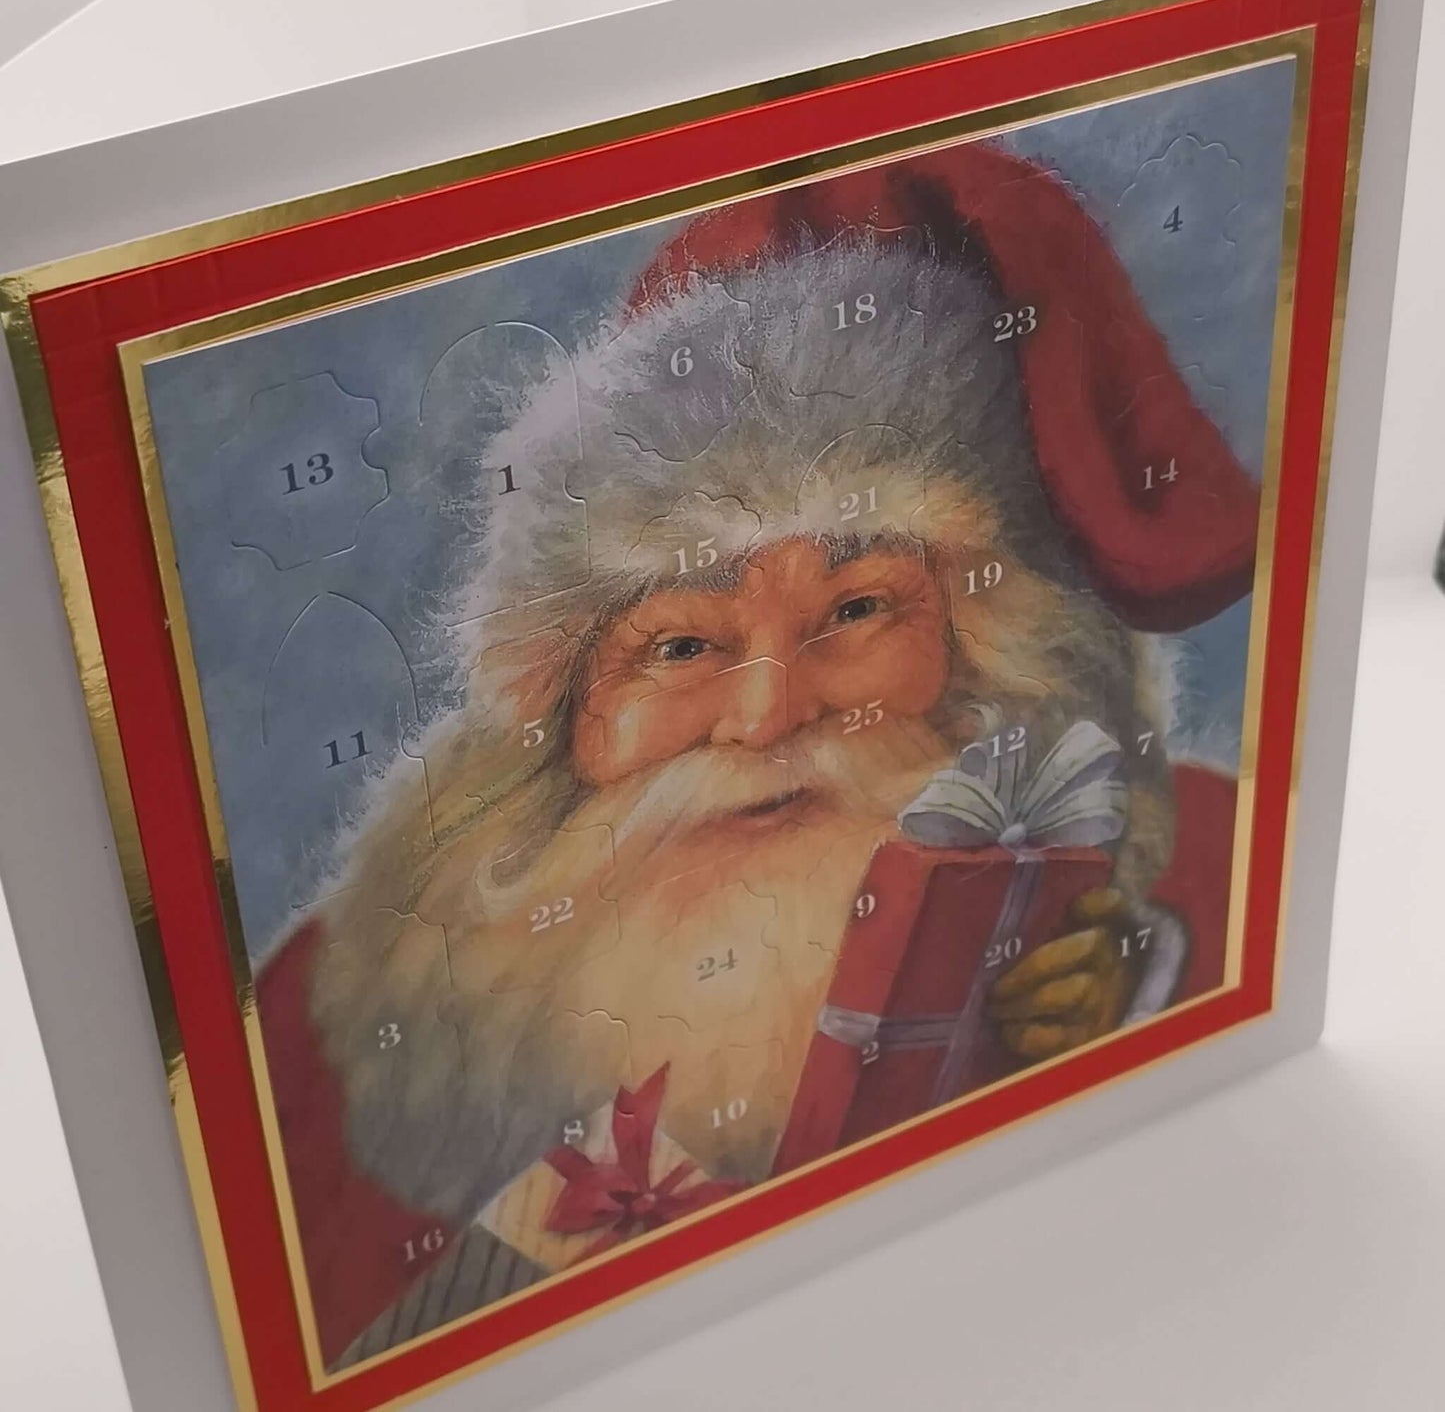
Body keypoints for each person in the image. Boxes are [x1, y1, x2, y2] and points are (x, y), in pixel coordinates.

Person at [255, 141, 1259, 1367]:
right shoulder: (318, 1018)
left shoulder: (1206, 863)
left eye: (853, 612)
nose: (767, 713)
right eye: (679, 643)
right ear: (569, 711)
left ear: (993, 652)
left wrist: (1115, 994)